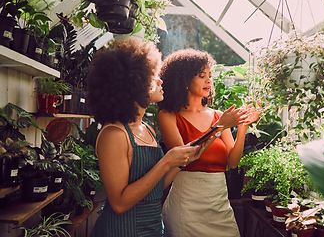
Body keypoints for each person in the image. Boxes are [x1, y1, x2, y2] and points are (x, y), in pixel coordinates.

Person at [87, 38, 200, 237]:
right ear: (134, 83)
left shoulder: (147, 129)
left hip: (154, 229)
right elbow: (120, 204)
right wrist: (166, 162)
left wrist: (182, 161)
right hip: (122, 231)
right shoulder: (114, 134)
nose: (160, 81)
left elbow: (155, 187)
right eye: (154, 75)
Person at [157, 48, 260, 237]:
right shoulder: (168, 116)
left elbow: (233, 162)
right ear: (184, 80)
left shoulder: (219, 116)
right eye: (201, 75)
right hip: (186, 206)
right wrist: (219, 127)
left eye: (209, 75)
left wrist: (243, 126)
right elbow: (184, 157)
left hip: (219, 203)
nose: (209, 80)